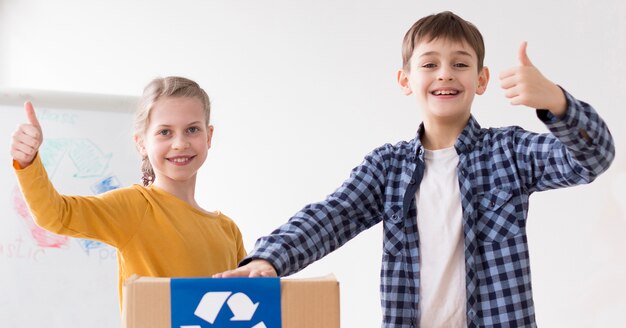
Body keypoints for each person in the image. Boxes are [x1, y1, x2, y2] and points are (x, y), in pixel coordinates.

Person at [214, 11, 615, 328]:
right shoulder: (388, 167)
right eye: (430, 64)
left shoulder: (509, 151)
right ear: (406, 80)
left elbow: (592, 159)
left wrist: (558, 104)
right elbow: (331, 215)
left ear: (481, 79)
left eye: (460, 64)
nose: (445, 73)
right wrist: (268, 259)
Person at [11, 76, 246, 307]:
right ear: (141, 143)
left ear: (209, 136)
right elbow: (56, 215)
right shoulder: (134, 207)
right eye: (165, 132)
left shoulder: (227, 230)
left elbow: (248, 303)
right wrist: (28, 161)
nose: (180, 143)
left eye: (192, 129)